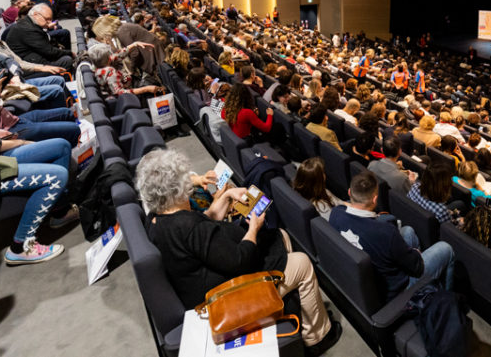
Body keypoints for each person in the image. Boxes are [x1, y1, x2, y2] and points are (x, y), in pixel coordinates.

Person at [137, 149, 341, 353]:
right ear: (177, 188)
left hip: (209, 281)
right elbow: (239, 260)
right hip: (224, 298)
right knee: (302, 263)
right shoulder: (187, 225)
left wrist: (226, 196)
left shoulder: (157, 218)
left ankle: (293, 310)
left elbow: (205, 222)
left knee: (280, 236)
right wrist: (253, 228)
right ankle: (317, 337)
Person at [329, 171, 455, 301]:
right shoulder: (385, 232)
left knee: (408, 231)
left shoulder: (336, 214)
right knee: (446, 248)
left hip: (373, 273)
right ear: (374, 199)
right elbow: (417, 268)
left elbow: (346, 207)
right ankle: (446, 299)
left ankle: (426, 290)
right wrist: (415, 254)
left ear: (350, 193)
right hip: (396, 290)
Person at [0, 137, 76, 264]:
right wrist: (19, 142)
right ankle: (20, 246)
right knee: (57, 176)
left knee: (61, 146)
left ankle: (59, 212)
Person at [6, 4, 74, 71]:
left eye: (50, 19)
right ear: (35, 15)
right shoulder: (28, 29)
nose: (49, 22)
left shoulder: (28, 23)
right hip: (29, 66)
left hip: (32, 59)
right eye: (47, 19)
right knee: (67, 60)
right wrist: (70, 53)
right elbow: (49, 52)